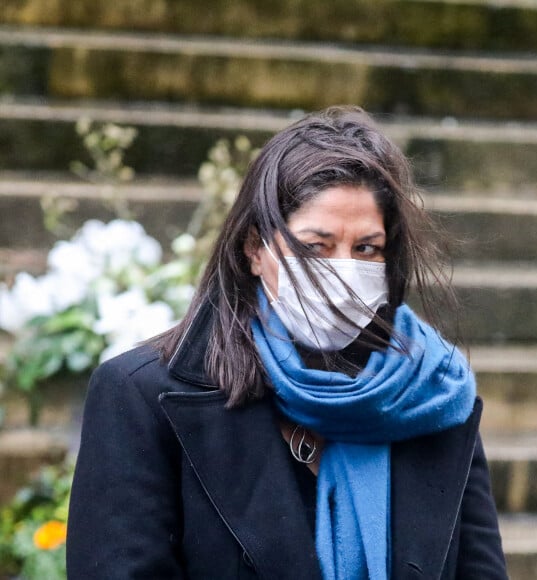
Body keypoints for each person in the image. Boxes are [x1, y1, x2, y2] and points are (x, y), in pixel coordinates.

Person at [67, 106, 508, 579]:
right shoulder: (140, 396)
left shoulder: (431, 395)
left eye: (366, 248)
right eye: (314, 246)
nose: (341, 272)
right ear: (255, 249)